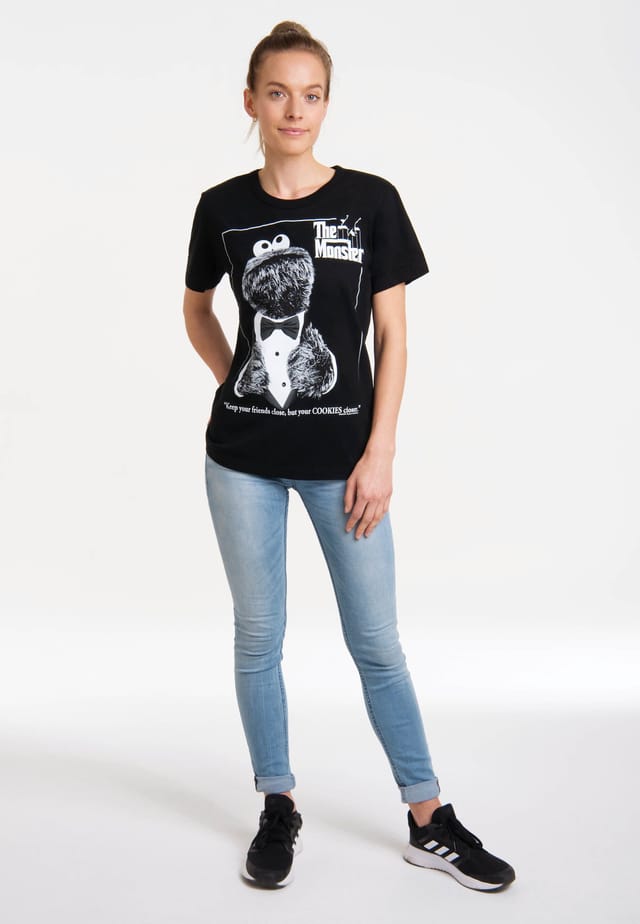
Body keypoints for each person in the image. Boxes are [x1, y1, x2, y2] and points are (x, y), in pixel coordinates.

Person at [182, 20, 516, 893]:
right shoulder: (221, 208)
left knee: (376, 643)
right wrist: (241, 382)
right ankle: (278, 803)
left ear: (328, 103)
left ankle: (428, 817)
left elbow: (393, 338)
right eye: (278, 93)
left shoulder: (370, 201)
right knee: (259, 637)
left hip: (345, 463)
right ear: (251, 102)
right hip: (241, 459)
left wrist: (381, 450)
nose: (296, 110)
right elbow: (196, 310)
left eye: (312, 94)